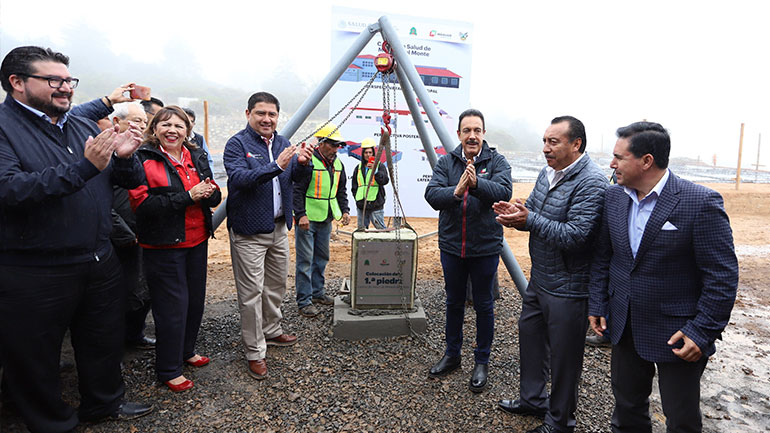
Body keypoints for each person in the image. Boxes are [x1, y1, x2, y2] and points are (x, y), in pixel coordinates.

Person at [0, 45, 152, 433]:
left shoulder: (80, 124)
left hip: (98, 258)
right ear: (17, 82)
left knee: (102, 337)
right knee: (35, 352)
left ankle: (103, 403)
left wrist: (124, 157)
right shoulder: (4, 128)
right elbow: (11, 190)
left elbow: (129, 180)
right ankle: (50, 421)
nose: (65, 88)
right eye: (53, 80)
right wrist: (85, 168)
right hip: (36, 267)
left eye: (68, 80)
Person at [588, 121, 738, 433]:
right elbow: (605, 256)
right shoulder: (613, 197)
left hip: (678, 335)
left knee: (681, 419)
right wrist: (598, 303)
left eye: (619, 157)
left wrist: (701, 331)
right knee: (627, 411)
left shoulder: (700, 202)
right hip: (624, 325)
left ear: (646, 161)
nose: (611, 164)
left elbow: (721, 277)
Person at [494, 116, 607, 433]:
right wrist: (518, 212)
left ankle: (560, 422)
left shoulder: (593, 182)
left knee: (565, 359)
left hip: (570, 288)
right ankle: (532, 399)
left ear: (576, 145)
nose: (545, 148)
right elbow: (536, 209)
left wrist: (530, 220)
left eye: (553, 142)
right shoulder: (547, 173)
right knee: (530, 339)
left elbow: (577, 235)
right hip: (541, 279)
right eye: (544, 141)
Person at [128, 105, 221, 392]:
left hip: (197, 240)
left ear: (187, 131)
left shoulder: (195, 155)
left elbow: (213, 192)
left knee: (194, 301)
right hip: (163, 245)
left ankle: (186, 351)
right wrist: (187, 197)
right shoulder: (142, 159)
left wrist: (211, 193)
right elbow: (142, 206)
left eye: (179, 126)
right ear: (154, 129)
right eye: (165, 124)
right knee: (172, 308)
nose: (172, 130)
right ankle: (168, 368)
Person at [223, 91, 312, 380]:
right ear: (248, 114)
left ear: (278, 117)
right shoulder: (237, 144)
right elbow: (240, 180)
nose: (267, 119)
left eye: (272, 114)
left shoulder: (284, 143)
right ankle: (254, 351)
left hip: (278, 228)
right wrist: (277, 166)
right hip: (249, 231)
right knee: (251, 294)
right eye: (260, 113)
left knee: (275, 286)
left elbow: (297, 182)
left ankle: (272, 331)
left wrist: (303, 164)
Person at [424, 108, 512, 393]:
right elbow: (432, 196)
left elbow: (504, 191)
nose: (472, 136)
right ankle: (452, 355)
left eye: (477, 130)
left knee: (485, 305)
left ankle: (482, 360)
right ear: (459, 134)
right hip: (452, 246)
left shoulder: (497, 161)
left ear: (483, 133)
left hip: (485, 247)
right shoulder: (446, 162)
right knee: (454, 302)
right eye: (466, 130)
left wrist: (475, 184)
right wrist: (456, 190)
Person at [108, 102, 155, 350]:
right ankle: (113, 345)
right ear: (117, 122)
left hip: (139, 232)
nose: (140, 127)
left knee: (142, 289)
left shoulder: (139, 151)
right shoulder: (103, 150)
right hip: (116, 236)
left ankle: (133, 335)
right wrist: (122, 233)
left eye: (143, 123)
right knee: (118, 293)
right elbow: (102, 202)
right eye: (135, 121)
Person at [293, 124, 351, 318]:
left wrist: (345, 210)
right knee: (305, 261)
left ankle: (317, 293)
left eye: (338, 146)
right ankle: (304, 301)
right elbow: (297, 190)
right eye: (333, 145)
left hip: (326, 217)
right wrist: (300, 214)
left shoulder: (338, 164)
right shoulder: (308, 162)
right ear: (321, 143)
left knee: (321, 258)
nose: (336, 149)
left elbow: (340, 190)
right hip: (307, 219)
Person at [351, 137, 389, 229]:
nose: (368, 155)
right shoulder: (358, 168)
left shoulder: (380, 166)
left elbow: (384, 180)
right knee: (361, 230)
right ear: (363, 154)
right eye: (366, 152)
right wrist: (357, 197)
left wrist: (375, 171)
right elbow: (354, 186)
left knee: (381, 229)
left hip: (375, 204)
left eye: (370, 152)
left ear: (373, 153)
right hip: (361, 204)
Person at [182, 107, 216, 175]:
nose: (189, 124)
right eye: (186, 121)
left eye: (191, 121)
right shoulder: (174, 139)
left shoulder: (199, 139)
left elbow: (208, 160)